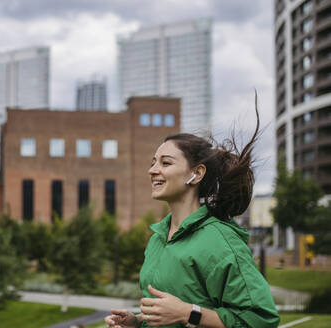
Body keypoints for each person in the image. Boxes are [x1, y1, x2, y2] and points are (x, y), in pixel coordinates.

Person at [105, 102, 280, 328]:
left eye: (165, 163)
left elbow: (261, 320)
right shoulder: (158, 238)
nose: (152, 170)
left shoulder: (220, 242)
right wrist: (137, 321)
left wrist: (190, 313)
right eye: (153, 163)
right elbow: (171, 313)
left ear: (196, 174)